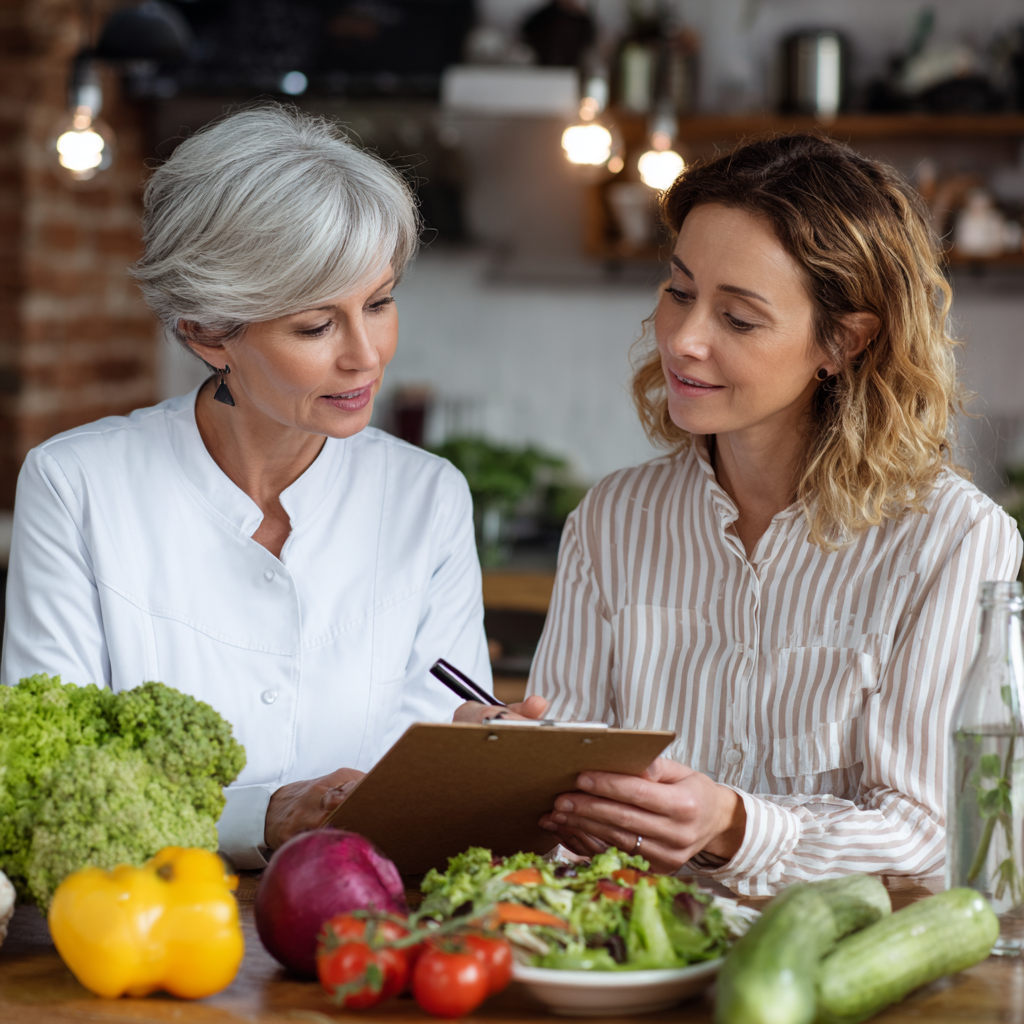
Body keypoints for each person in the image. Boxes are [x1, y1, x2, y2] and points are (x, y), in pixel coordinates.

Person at [0, 105, 542, 869]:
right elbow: (49, 783)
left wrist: (486, 760)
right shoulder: (77, 485)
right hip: (146, 916)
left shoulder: (426, 495)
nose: (366, 356)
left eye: (379, 303)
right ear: (207, 333)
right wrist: (263, 814)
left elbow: (431, 755)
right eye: (317, 326)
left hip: (365, 915)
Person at [529, 133, 1023, 895]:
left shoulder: (954, 539)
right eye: (679, 291)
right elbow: (561, 820)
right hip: (637, 955)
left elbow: (931, 834)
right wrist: (507, 774)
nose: (684, 340)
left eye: (738, 318)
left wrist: (733, 826)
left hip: (842, 963)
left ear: (844, 341)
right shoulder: (613, 519)